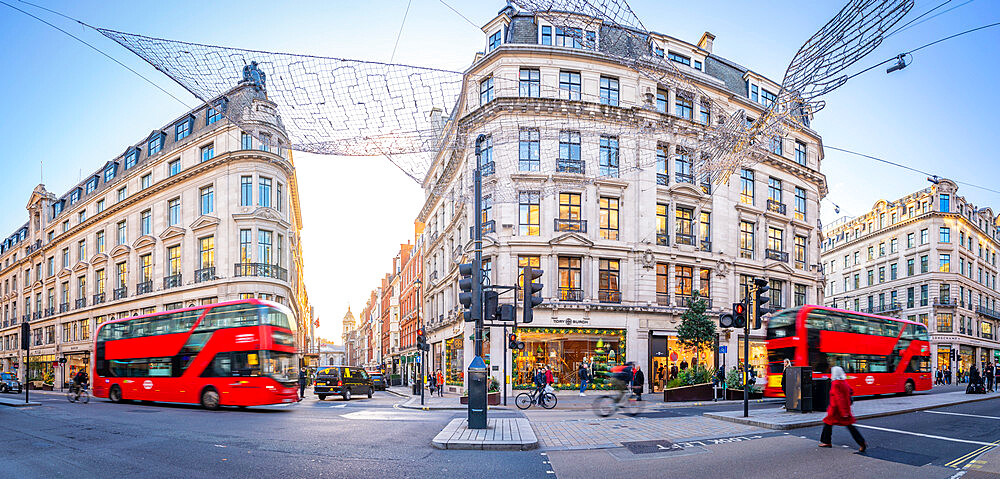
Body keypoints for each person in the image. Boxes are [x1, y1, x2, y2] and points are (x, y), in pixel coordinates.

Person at [819, 366, 866, 452]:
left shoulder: (835, 383)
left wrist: (844, 412)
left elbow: (839, 398)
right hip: (841, 409)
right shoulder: (843, 382)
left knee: (830, 424)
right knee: (848, 426)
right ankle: (861, 442)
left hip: (836, 410)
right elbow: (851, 391)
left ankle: (827, 441)